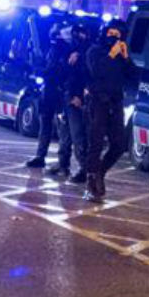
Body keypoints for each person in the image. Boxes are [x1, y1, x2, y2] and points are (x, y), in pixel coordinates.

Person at [83, 21, 137, 202]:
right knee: (95, 144)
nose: (114, 36)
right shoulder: (94, 51)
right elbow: (97, 71)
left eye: (117, 33)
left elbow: (134, 76)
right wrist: (111, 54)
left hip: (116, 102)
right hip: (98, 101)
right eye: (111, 32)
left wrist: (126, 57)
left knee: (119, 144)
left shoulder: (121, 56)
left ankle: (100, 172)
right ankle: (90, 183)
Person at [26, 25, 73, 169]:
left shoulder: (65, 51)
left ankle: (62, 162)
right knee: (48, 125)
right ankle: (43, 156)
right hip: (51, 92)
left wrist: (40, 71)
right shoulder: (57, 50)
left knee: (61, 128)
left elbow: (53, 70)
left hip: (58, 92)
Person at [52, 23, 93, 184]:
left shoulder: (86, 53)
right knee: (65, 134)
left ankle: (84, 169)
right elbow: (64, 73)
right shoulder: (71, 51)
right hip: (66, 96)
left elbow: (83, 77)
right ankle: (63, 165)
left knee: (78, 136)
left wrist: (78, 97)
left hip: (75, 98)